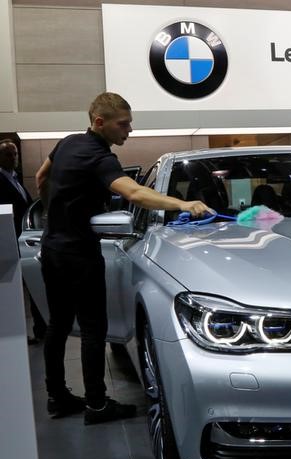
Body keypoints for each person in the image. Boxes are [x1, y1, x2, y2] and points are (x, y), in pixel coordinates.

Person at [35, 92, 212, 424]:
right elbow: (134, 193)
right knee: (93, 328)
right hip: (79, 253)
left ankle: (56, 397)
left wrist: (57, 213)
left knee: (57, 326)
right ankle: (97, 405)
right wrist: (184, 204)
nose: (129, 130)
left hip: (52, 247)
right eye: (123, 124)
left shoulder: (67, 143)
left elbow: (41, 178)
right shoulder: (102, 158)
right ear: (100, 122)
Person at [0, 138, 47, 344]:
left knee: (32, 285)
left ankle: (41, 329)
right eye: (8, 154)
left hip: (22, 242)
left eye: (15, 154)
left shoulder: (15, 178)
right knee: (15, 292)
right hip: (7, 244)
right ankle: (16, 333)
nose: (13, 158)